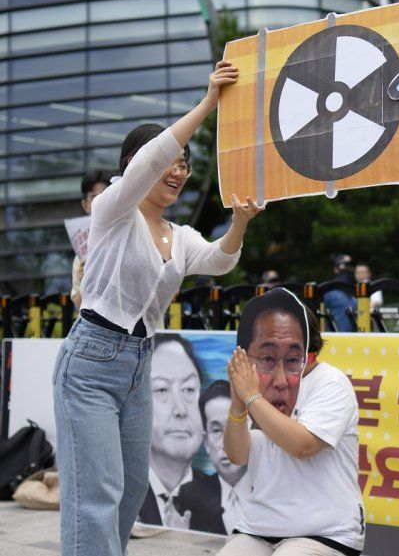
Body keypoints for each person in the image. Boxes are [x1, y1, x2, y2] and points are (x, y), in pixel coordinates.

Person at [52, 60, 261, 556]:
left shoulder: (177, 235)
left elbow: (220, 261)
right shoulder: (112, 211)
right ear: (135, 166)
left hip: (140, 364)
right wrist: (209, 102)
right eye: (172, 161)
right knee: (96, 497)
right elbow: (152, 157)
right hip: (89, 364)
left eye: (185, 165)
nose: (178, 171)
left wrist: (240, 221)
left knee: (131, 492)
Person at [221, 288, 364, 556]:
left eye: (293, 355)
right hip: (259, 527)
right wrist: (238, 405)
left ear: (310, 350)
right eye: (267, 355)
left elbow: (303, 446)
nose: (280, 369)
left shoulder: (330, 382)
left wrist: (251, 397)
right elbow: (237, 455)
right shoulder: (257, 381)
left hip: (326, 532)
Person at [138, 334, 219, 530]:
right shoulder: (120, 492)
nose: (181, 409)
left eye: (189, 390)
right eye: (162, 390)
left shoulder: (223, 497)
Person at [176, 379, 251, 534]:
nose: (226, 441)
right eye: (216, 430)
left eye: (233, 427)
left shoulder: (271, 489)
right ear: (206, 442)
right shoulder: (190, 497)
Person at [71, 170, 113, 309]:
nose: (101, 202)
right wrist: (85, 281)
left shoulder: (138, 236)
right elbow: (78, 306)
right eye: (94, 198)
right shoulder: (81, 256)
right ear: (85, 205)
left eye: (106, 195)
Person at [322, 253, 357, 332]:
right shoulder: (328, 291)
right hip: (332, 339)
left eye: (350, 265)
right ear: (336, 269)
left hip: (352, 340)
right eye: (345, 265)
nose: (348, 268)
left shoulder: (357, 291)